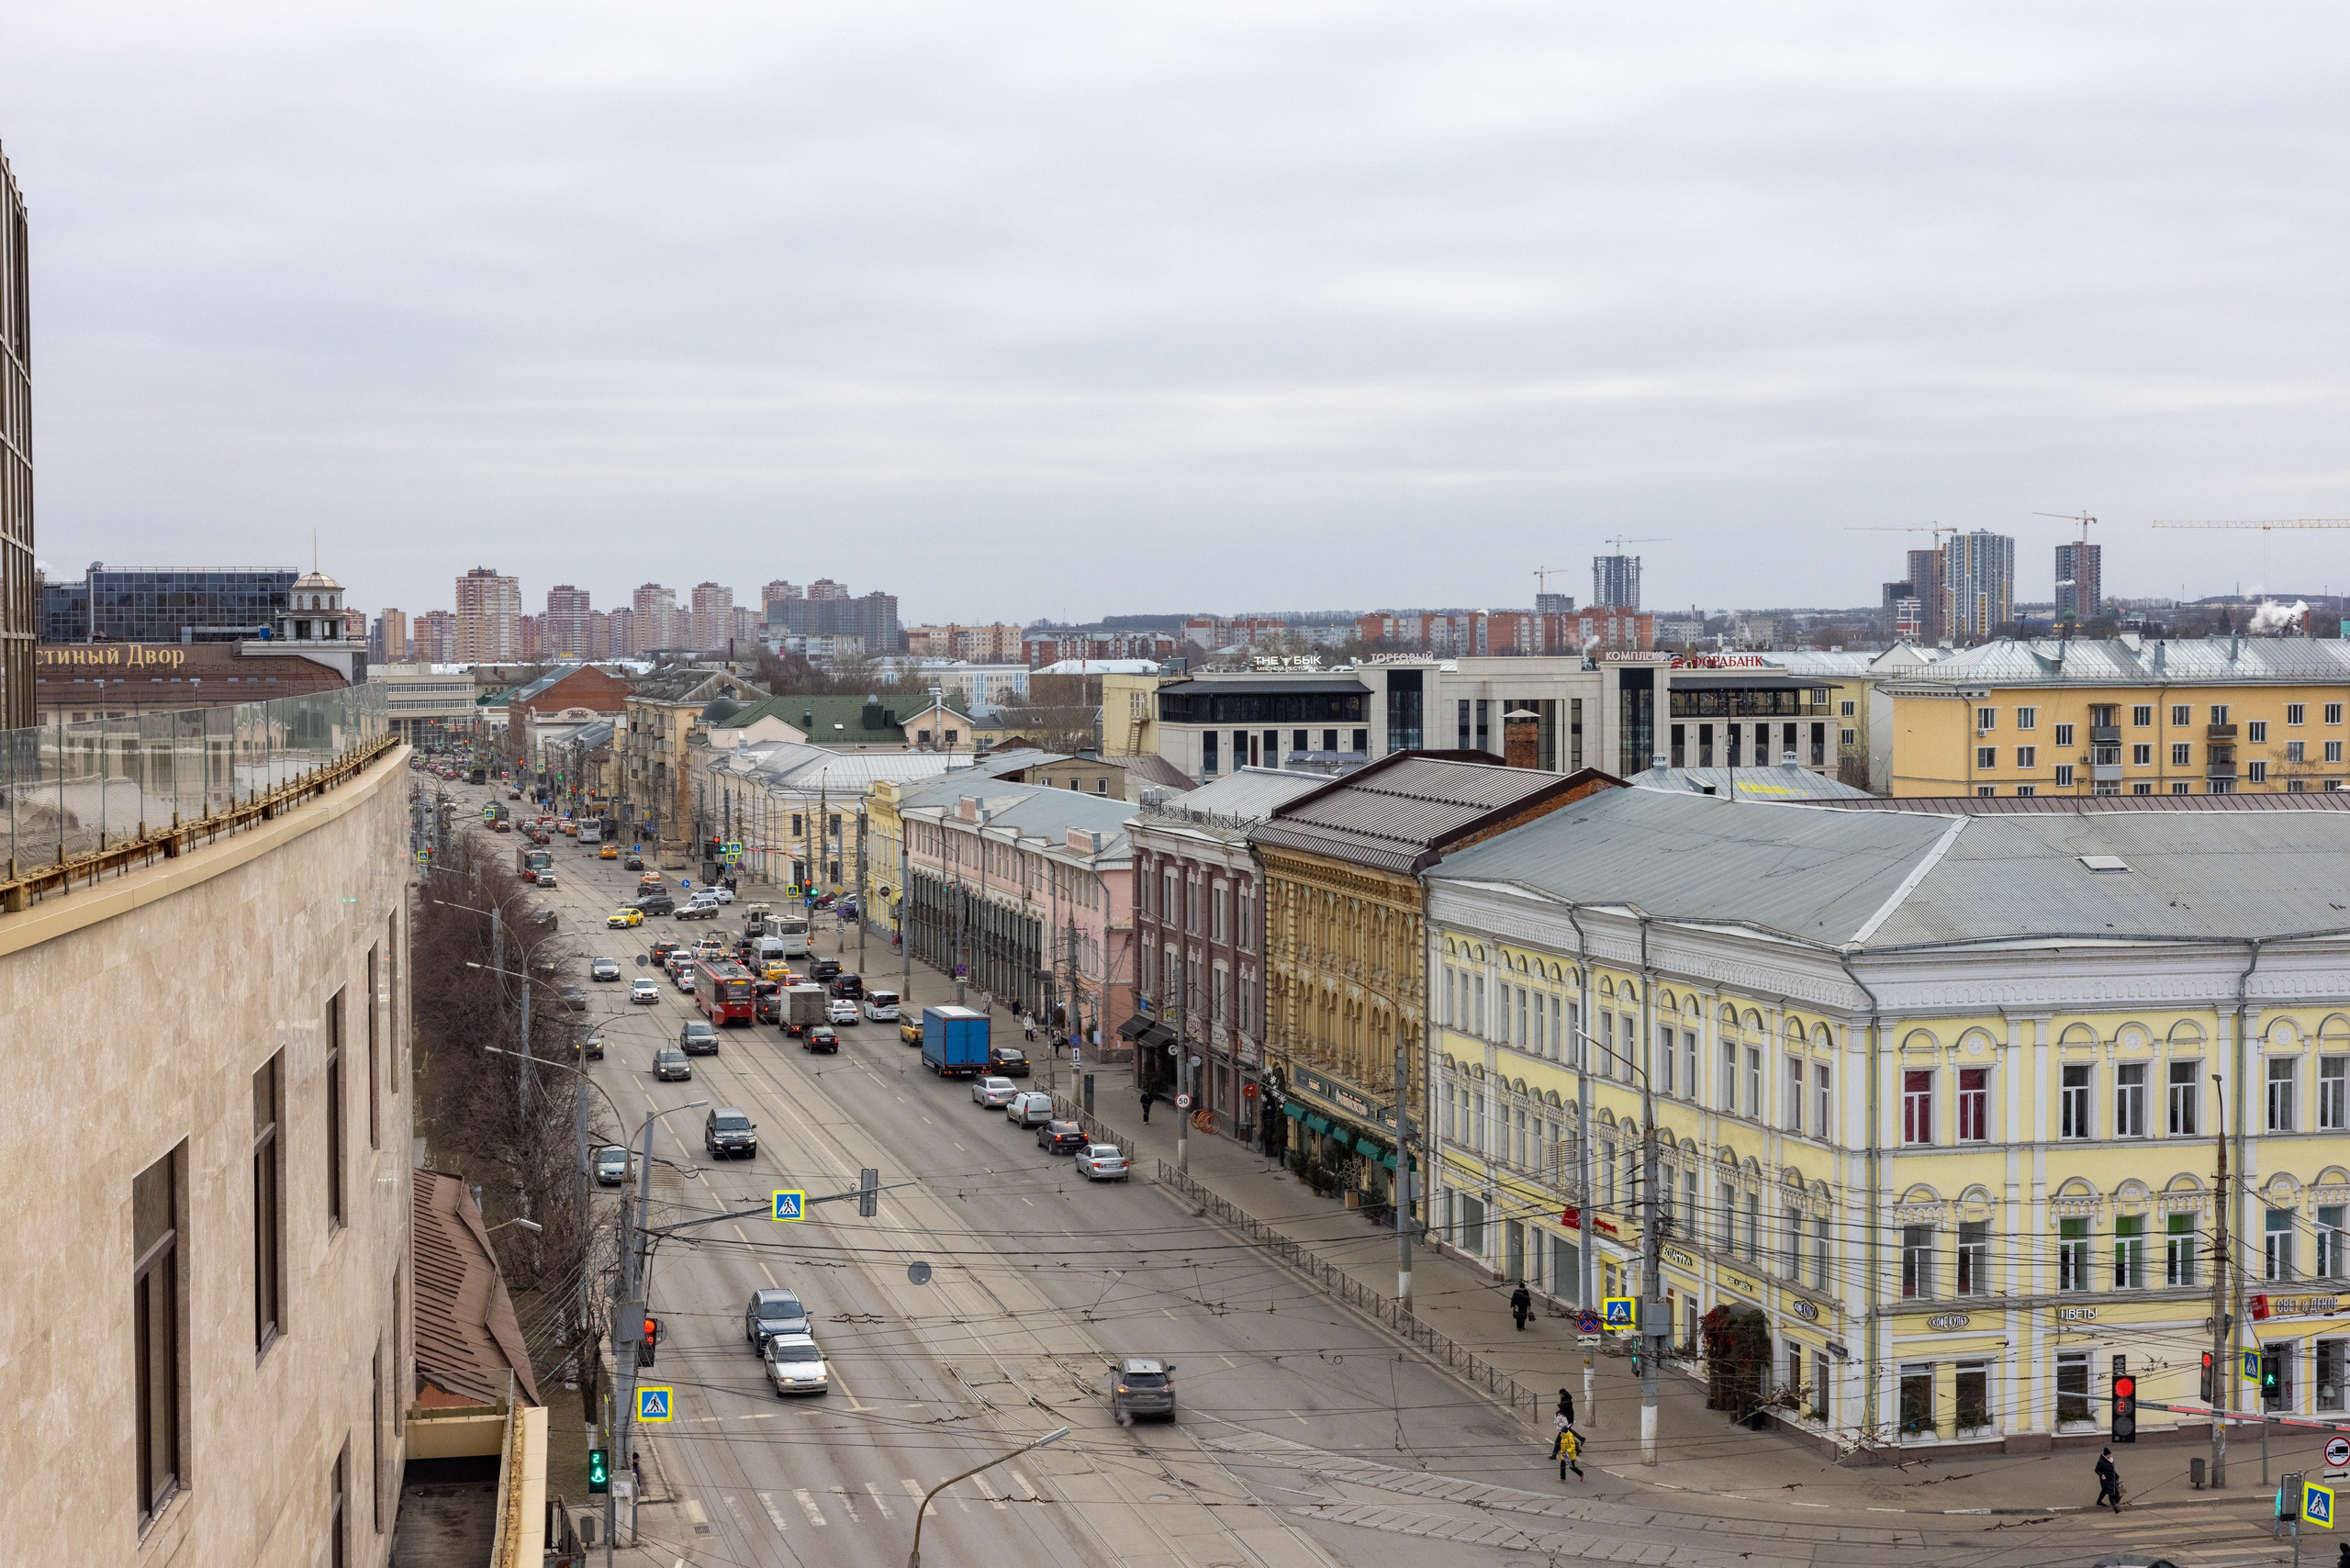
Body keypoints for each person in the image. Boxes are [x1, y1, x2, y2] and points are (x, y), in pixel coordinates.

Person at [2094, 1447, 2122, 1512]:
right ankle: (2116, 1509)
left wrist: (2116, 1475)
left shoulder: (2111, 1460)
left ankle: (2099, 1501)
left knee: (2104, 1490)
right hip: (2106, 1479)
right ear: (2105, 1455)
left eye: (2110, 1454)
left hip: (2112, 1478)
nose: (2109, 1456)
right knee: (2111, 1493)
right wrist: (2102, 1475)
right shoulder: (2101, 1462)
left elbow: (2113, 1470)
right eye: (2108, 1455)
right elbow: (2096, 1470)